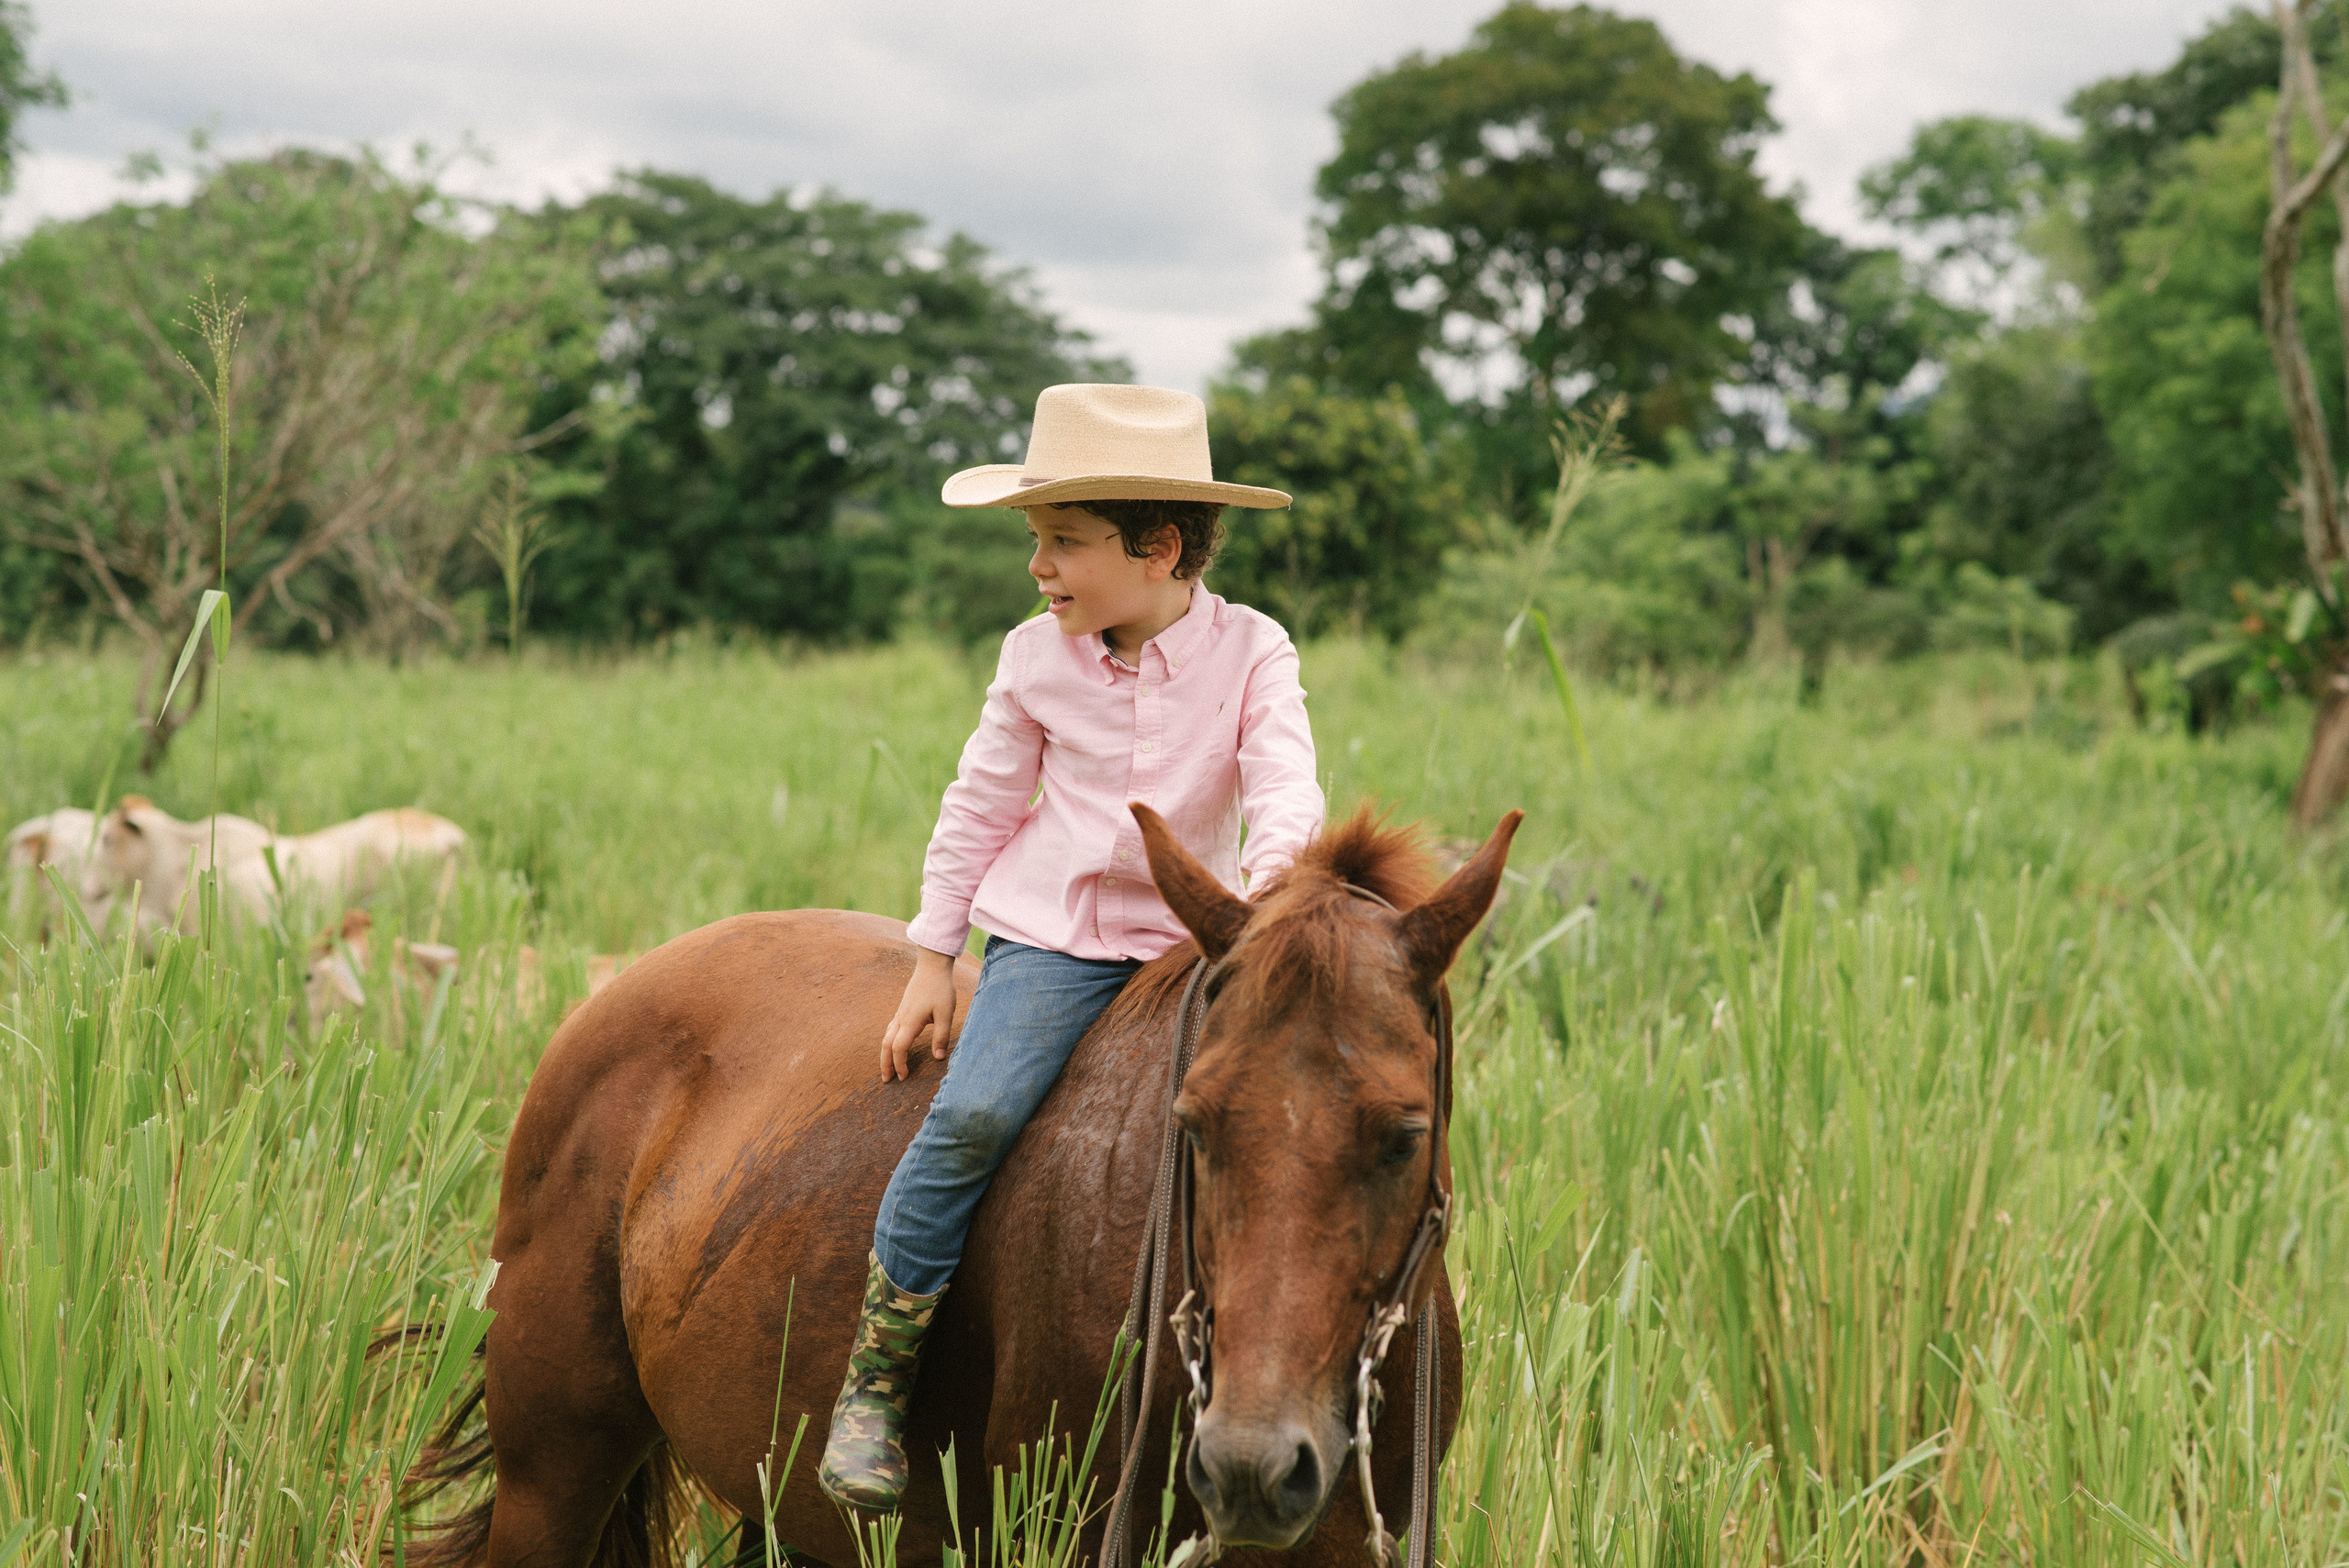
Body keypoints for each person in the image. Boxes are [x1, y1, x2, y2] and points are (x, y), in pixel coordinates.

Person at [817, 383, 1327, 1511]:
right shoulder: (1034, 656)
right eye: (1035, 543)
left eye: (1062, 543)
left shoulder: (1253, 649)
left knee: (1273, 1136)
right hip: (1055, 940)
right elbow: (983, 798)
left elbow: (1283, 783)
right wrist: (933, 954)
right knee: (972, 1118)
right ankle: (875, 1381)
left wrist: (1264, 905)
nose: (1039, 569)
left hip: (1196, 945)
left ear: (1157, 548)